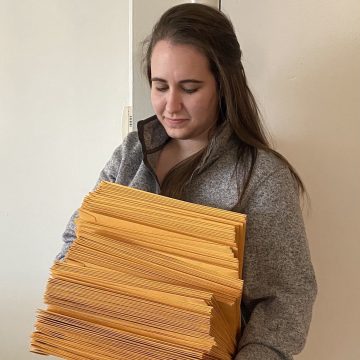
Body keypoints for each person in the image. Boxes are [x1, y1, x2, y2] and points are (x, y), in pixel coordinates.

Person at [57, 3, 317, 359]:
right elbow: (78, 240)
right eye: (160, 86)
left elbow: (285, 301)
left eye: (190, 88)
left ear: (223, 85)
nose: (171, 105)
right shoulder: (131, 153)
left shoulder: (261, 177)